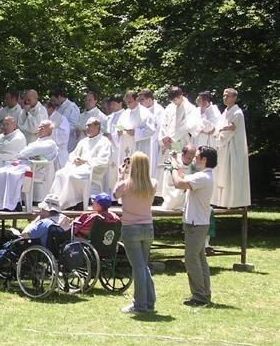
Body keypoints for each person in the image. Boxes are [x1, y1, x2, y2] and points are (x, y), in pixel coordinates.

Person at [170, 146, 218, 306]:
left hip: (196, 224)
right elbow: (184, 177)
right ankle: (204, 293)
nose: (194, 158)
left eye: (197, 156)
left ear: (204, 159)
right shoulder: (203, 175)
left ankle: (199, 296)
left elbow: (179, 183)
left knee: (191, 260)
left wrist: (173, 167)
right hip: (197, 222)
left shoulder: (203, 177)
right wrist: (177, 163)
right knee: (200, 260)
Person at [113, 151, 157, 314]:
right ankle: (149, 302)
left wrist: (121, 175)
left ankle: (140, 305)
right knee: (143, 266)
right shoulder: (153, 183)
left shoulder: (125, 185)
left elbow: (115, 194)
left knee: (138, 268)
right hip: (147, 227)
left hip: (131, 228)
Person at [0, 120, 58, 211]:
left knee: (12, 175)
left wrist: (23, 154)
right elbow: (25, 152)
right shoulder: (36, 142)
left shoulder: (50, 143)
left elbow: (27, 152)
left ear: (49, 131)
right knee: (0, 172)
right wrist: (23, 154)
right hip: (24, 164)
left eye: (42, 127)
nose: (39, 129)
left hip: (35, 168)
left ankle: (14, 204)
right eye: (39, 127)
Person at [0, 198, 72, 266]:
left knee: (17, 243)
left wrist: (35, 221)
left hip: (40, 251)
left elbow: (25, 234)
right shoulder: (64, 220)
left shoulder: (45, 223)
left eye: (42, 209)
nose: (40, 211)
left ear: (46, 210)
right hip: (58, 252)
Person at [46, 117, 111, 210]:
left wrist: (85, 161)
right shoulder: (83, 141)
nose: (87, 128)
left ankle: (70, 203)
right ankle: (55, 202)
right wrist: (75, 159)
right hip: (78, 167)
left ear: (97, 127)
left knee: (72, 176)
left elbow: (104, 160)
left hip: (92, 170)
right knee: (60, 174)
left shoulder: (104, 141)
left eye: (89, 126)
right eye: (86, 126)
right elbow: (73, 154)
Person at [212, 88, 251, 208]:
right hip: (223, 148)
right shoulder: (225, 112)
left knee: (232, 174)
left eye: (227, 96)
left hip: (232, 148)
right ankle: (222, 201)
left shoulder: (237, 113)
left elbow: (230, 129)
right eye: (224, 95)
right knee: (222, 174)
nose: (225, 98)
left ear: (234, 98)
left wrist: (219, 135)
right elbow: (219, 127)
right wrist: (218, 132)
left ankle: (234, 202)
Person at [157, 86, 201, 195]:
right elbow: (163, 123)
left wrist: (172, 138)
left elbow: (187, 126)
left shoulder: (190, 108)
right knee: (169, 165)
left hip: (181, 141)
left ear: (181, 96)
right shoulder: (170, 107)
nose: (174, 102)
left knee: (180, 165)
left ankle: (181, 194)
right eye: (172, 100)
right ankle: (167, 195)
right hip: (168, 143)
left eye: (175, 99)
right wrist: (163, 138)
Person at [161, 144, 196, 210]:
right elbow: (169, 184)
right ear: (183, 154)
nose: (191, 160)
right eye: (189, 158)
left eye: (192, 158)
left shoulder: (193, 164)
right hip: (173, 192)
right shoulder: (173, 163)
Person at [104, 94, 125, 194]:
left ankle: (117, 194)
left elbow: (122, 132)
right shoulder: (110, 117)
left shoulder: (124, 115)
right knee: (109, 172)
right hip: (110, 147)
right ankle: (109, 194)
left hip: (119, 148)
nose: (111, 106)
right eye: (111, 104)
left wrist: (112, 137)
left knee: (117, 170)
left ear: (120, 103)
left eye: (114, 104)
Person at [46, 101, 70, 170]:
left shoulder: (62, 119)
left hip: (59, 154)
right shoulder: (45, 117)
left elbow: (64, 135)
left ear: (50, 108)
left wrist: (48, 131)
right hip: (47, 153)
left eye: (45, 109)